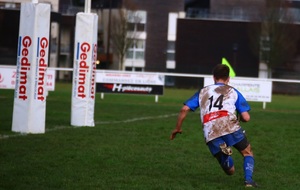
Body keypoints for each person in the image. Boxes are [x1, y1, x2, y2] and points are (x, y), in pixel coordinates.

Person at [170, 64, 258, 188]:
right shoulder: (232, 91)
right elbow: (246, 118)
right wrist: (241, 119)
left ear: (214, 77)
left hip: (210, 130)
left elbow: (184, 109)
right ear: (228, 79)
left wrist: (177, 128)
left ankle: (225, 155)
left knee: (230, 171)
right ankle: (248, 181)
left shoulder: (203, 92)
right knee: (247, 153)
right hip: (229, 125)